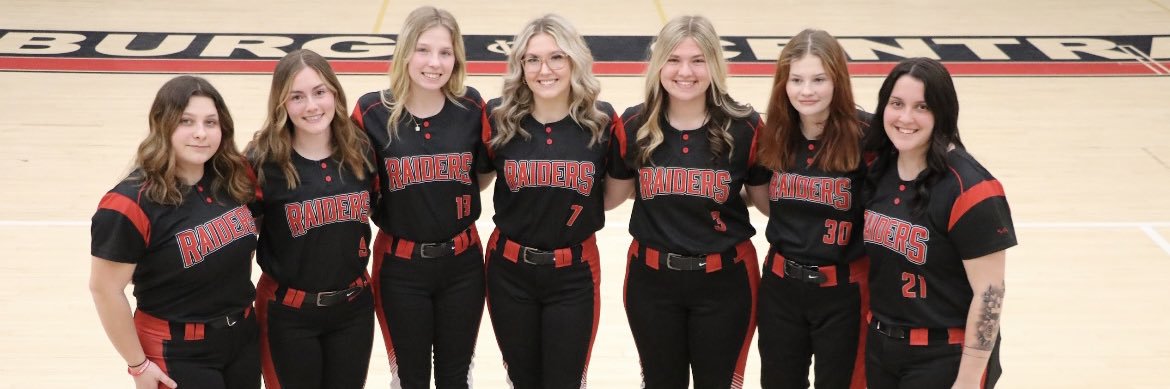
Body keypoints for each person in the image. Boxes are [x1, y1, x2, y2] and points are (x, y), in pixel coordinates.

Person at [606, 15, 769, 389]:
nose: (685, 72)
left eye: (698, 60)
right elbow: (612, 197)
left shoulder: (744, 126)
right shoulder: (633, 124)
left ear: (715, 64)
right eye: (674, 60)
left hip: (726, 282)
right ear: (658, 63)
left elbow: (764, 202)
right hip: (651, 282)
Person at [350, 6, 492, 388]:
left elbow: (478, 177)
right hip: (400, 268)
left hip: (463, 264)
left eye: (445, 52)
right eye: (424, 50)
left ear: (457, 58)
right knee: (409, 379)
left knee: (455, 377)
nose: (435, 63)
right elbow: (357, 189)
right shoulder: (371, 111)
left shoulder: (471, 107)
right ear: (405, 52)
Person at [89, 75, 260, 389]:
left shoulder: (233, 177)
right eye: (186, 121)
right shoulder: (129, 203)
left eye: (210, 122)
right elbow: (105, 289)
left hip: (243, 338)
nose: (200, 133)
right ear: (162, 124)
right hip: (177, 351)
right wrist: (138, 365)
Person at [480, 14, 621, 388]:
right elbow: (479, 177)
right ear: (521, 66)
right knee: (522, 379)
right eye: (533, 59)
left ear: (575, 60)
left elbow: (611, 196)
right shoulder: (498, 117)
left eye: (557, 57)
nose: (545, 70)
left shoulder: (603, 122)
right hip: (508, 270)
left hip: (574, 273)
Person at [861, 57, 1014, 389]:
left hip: (943, 357)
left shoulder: (971, 189)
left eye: (922, 107)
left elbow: (990, 293)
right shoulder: (877, 170)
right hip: (882, 348)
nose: (905, 118)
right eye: (897, 104)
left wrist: (969, 379)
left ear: (942, 113)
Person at [246, 49, 376, 389]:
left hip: (353, 310)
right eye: (297, 97)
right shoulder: (262, 161)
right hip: (288, 314)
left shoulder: (361, 148)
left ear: (334, 93)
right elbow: (246, 236)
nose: (312, 106)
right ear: (281, 104)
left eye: (320, 92)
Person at [750, 29, 871, 389]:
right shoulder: (773, 133)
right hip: (781, 288)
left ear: (838, 81)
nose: (806, 90)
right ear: (783, 84)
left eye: (819, 79)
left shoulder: (867, 135)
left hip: (844, 291)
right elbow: (761, 197)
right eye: (797, 80)